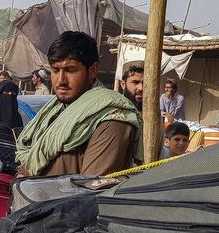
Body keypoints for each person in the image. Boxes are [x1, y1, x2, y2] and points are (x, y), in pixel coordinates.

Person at [16, 31, 142, 177]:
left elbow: (90, 189)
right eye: (55, 70)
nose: (61, 80)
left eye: (70, 70)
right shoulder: (53, 111)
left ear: (93, 70)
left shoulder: (111, 118)